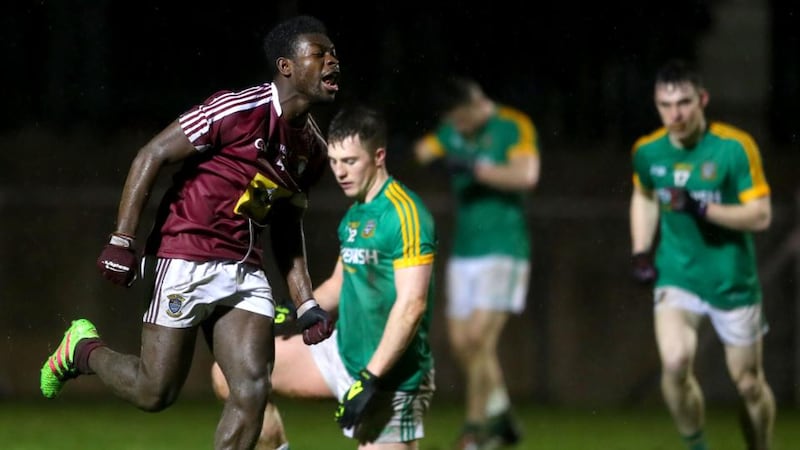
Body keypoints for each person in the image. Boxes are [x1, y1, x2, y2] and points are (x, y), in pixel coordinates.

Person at [39, 15, 340, 450]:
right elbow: (153, 153)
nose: (333, 63)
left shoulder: (312, 150)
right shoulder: (239, 109)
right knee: (155, 392)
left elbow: (287, 226)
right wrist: (123, 239)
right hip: (184, 253)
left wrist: (305, 301)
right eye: (320, 54)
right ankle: (82, 350)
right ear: (286, 66)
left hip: (244, 270)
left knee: (253, 390)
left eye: (335, 56)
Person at [211, 104, 438, 449]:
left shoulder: (404, 214)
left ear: (378, 156)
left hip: (391, 377)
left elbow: (412, 306)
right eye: (334, 162)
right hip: (343, 354)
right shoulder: (356, 214)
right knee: (232, 373)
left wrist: (371, 377)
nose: (340, 172)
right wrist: (297, 309)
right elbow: (339, 283)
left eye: (350, 162)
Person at [629, 58, 776, 450]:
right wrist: (641, 251)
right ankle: (697, 447)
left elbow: (761, 215)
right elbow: (643, 194)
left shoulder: (734, 148)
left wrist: (701, 208)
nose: (674, 114)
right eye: (665, 104)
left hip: (731, 280)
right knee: (675, 362)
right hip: (677, 275)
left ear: (703, 100)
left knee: (748, 383)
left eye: (684, 103)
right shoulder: (647, 151)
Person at [413, 76, 540, 449]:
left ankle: (475, 431)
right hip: (465, 251)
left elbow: (526, 175)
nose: (458, 130)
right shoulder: (454, 129)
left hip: (505, 247)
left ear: (474, 104)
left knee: (480, 340)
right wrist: (440, 157)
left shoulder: (512, 125)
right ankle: (503, 417)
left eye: (461, 121)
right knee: (461, 343)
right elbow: (422, 150)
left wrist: (474, 168)